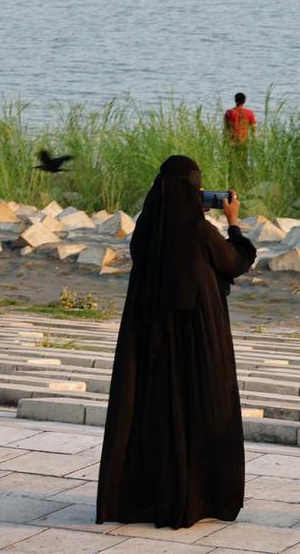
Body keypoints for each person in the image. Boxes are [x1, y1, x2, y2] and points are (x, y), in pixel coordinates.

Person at [96, 155, 256, 529]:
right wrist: (233, 223)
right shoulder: (201, 234)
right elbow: (235, 262)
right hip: (197, 342)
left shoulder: (146, 233)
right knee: (197, 408)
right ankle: (198, 494)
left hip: (150, 345)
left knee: (154, 413)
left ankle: (144, 495)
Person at [224, 92, 257, 187]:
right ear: (244, 101)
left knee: (231, 165)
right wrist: (255, 142)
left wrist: (225, 142)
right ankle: (243, 183)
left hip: (232, 143)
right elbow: (254, 130)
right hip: (243, 142)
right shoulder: (250, 113)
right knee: (243, 164)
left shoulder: (229, 112)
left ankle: (231, 184)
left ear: (235, 100)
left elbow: (226, 129)